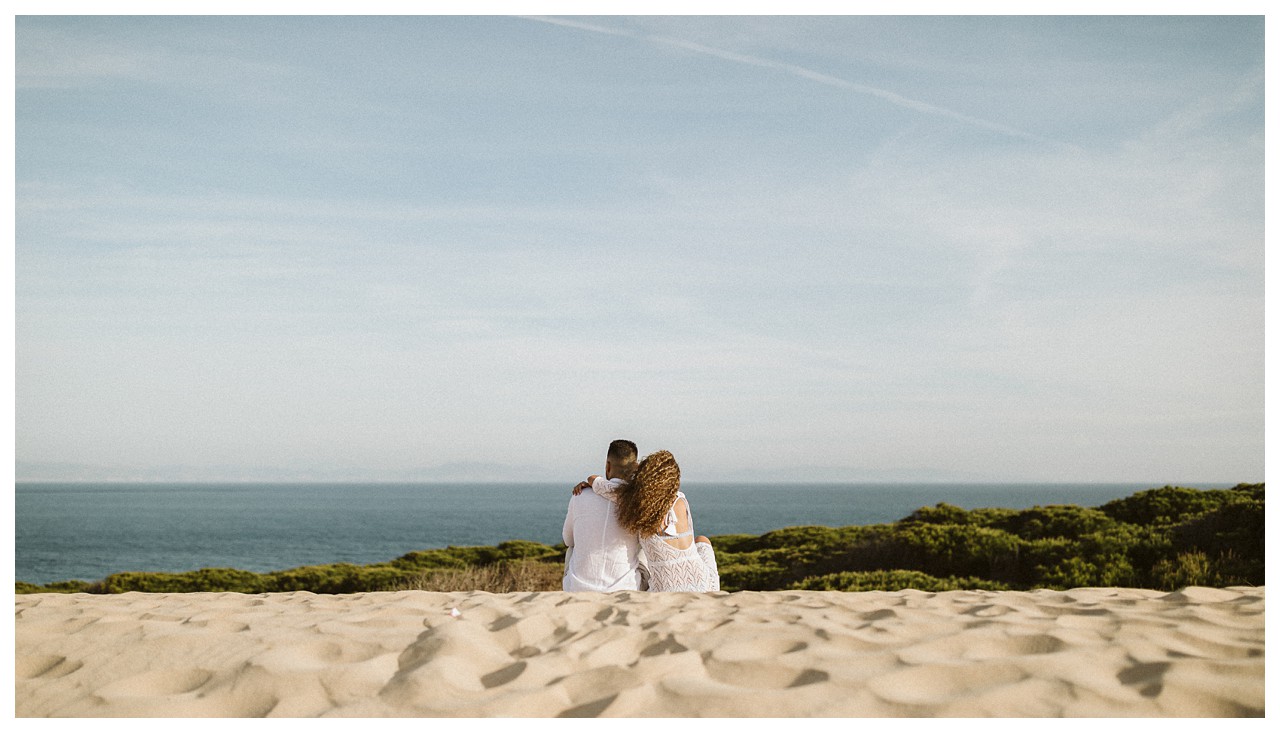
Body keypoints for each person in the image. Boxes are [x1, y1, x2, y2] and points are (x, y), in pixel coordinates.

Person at [577, 449, 719, 592]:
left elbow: (595, 480)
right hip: (705, 585)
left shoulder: (637, 501)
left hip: (665, 589)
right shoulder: (681, 499)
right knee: (702, 540)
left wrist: (590, 484)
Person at [561, 439, 646, 592]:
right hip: (626, 589)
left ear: (608, 466)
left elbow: (568, 540)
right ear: (636, 468)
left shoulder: (580, 494)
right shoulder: (639, 501)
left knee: (571, 549)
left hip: (578, 589)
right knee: (644, 546)